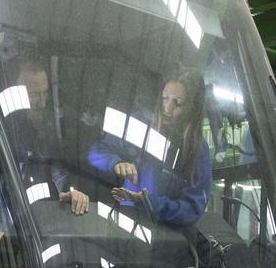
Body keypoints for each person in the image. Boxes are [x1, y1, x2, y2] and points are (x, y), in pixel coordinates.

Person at [88, 67, 211, 226]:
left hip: (167, 236)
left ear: (193, 107)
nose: (167, 109)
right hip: (125, 223)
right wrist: (116, 163)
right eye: (164, 98)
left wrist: (148, 202)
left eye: (178, 103)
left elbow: (192, 209)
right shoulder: (138, 125)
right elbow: (96, 151)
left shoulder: (196, 149)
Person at [6, 59, 89, 215]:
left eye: (45, 93)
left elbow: (59, 165)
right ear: (15, 91)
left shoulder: (51, 124)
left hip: (41, 210)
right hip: (9, 210)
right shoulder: (0, 125)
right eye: (34, 95)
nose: (43, 103)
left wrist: (70, 191)